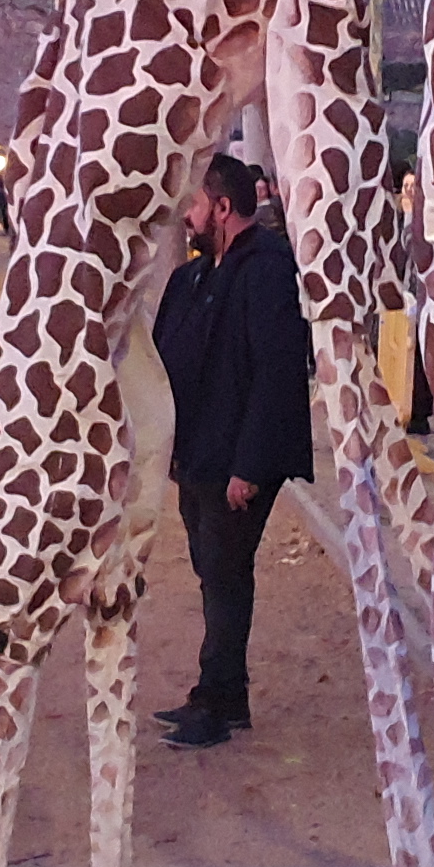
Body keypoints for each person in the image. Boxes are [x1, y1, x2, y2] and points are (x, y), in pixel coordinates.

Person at [150, 154, 310, 746]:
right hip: (198, 455)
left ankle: (214, 702)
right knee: (213, 572)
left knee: (224, 574)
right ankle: (225, 694)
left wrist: (249, 467)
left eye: (193, 205)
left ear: (221, 206)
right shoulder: (199, 274)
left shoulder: (265, 268)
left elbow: (275, 370)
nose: (185, 218)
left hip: (233, 462)